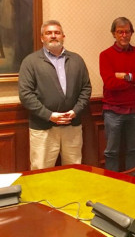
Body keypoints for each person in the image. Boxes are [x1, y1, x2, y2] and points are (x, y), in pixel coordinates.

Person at [18, 20, 91, 170]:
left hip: (72, 127)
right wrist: (49, 115)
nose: (53, 36)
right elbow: (26, 94)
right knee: (41, 171)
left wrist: (75, 111)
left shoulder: (76, 60)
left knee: (74, 170)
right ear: (42, 38)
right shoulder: (30, 62)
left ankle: (71, 195)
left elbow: (86, 89)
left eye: (57, 33)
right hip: (43, 128)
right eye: (48, 33)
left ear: (63, 36)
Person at [99, 17, 135, 172]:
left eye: (127, 32)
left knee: (134, 150)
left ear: (131, 33)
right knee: (111, 152)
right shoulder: (105, 55)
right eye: (120, 32)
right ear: (113, 34)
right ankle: (112, 186)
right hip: (113, 111)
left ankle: (132, 185)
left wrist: (126, 76)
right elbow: (111, 84)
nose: (124, 35)